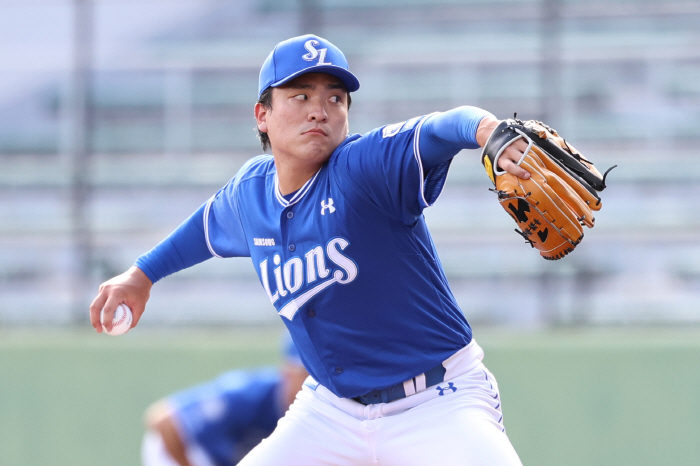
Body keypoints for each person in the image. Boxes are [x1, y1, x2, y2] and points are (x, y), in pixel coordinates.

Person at [91, 34, 531, 465]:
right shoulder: (251, 193)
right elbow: (203, 228)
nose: (319, 111)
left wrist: (487, 130)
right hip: (331, 413)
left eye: (335, 98)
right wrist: (142, 274)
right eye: (300, 97)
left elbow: (439, 126)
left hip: (437, 402)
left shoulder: (364, 167)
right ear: (262, 115)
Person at [141, 336, 308, 466]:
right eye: (306, 374)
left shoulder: (313, 409)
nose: (312, 381)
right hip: (184, 450)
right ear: (287, 372)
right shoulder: (248, 395)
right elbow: (163, 421)